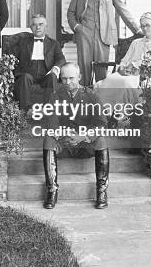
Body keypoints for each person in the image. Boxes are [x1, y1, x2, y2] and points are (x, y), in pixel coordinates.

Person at [42, 63, 110, 210]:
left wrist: (83, 136)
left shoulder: (92, 95)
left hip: (86, 145)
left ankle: (102, 191)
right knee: (49, 137)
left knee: (101, 140)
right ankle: (52, 191)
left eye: (72, 78)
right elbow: (51, 123)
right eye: (64, 78)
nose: (68, 82)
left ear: (79, 77)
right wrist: (64, 134)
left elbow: (102, 123)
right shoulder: (56, 96)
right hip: (64, 144)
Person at [67, 0, 140, 86]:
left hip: (104, 36)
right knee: (84, 71)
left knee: (101, 72)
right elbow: (70, 13)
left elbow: (123, 10)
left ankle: (100, 103)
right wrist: (78, 28)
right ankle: (85, 102)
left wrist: (137, 29)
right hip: (84, 35)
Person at [95, 12, 151, 108]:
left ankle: (121, 115)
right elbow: (124, 60)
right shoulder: (136, 43)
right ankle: (104, 112)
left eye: (148, 25)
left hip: (144, 76)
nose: (144, 29)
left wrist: (134, 65)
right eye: (142, 26)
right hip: (127, 73)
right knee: (111, 80)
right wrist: (123, 67)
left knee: (125, 83)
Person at [9, 14, 66, 111]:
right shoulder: (22, 42)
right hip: (28, 73)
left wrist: (55, 68)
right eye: (34, 25)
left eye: (41, 24)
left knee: (52, 77)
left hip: (46, 73)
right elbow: (12, 57)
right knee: (24, 78)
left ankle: (50, 111)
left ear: (46, 26)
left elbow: (61, 59)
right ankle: (26, 111)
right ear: (31, 27)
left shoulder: (54, 43)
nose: (38, 27)